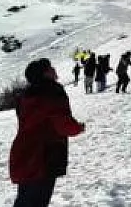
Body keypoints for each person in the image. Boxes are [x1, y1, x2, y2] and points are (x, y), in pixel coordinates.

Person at [9, 59, 85, 207]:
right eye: (50, 68)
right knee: (37, 200)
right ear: (45, 73)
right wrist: (78, 127)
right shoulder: (52, 92)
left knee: (25, 199)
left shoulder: (25, 95)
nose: (54, 69)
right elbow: (62, 123)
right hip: (44, 155)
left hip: (25, 151)